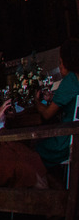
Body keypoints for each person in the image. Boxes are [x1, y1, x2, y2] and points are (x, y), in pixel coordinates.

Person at [32, 39, 79, 169]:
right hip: (75, 137)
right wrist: (53, 98)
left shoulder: (70, 80)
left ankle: (53, 187)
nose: (59, 65)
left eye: (60, 62)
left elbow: (47, 114)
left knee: (33, 151)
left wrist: (36, 102)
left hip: (68, 141)